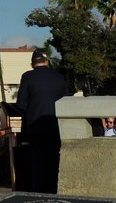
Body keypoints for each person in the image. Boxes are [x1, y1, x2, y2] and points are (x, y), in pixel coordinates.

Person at [16, 48, 69, 194]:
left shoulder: (28, 77)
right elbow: (66, 100)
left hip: (35, 126)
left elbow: (21, 104)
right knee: (54, 160)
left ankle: (40, 193)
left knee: (38, 163)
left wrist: (30, 112)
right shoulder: (59, 77)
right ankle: (54, 191)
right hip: (56, 125)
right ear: (46, 62)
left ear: (32, 64)